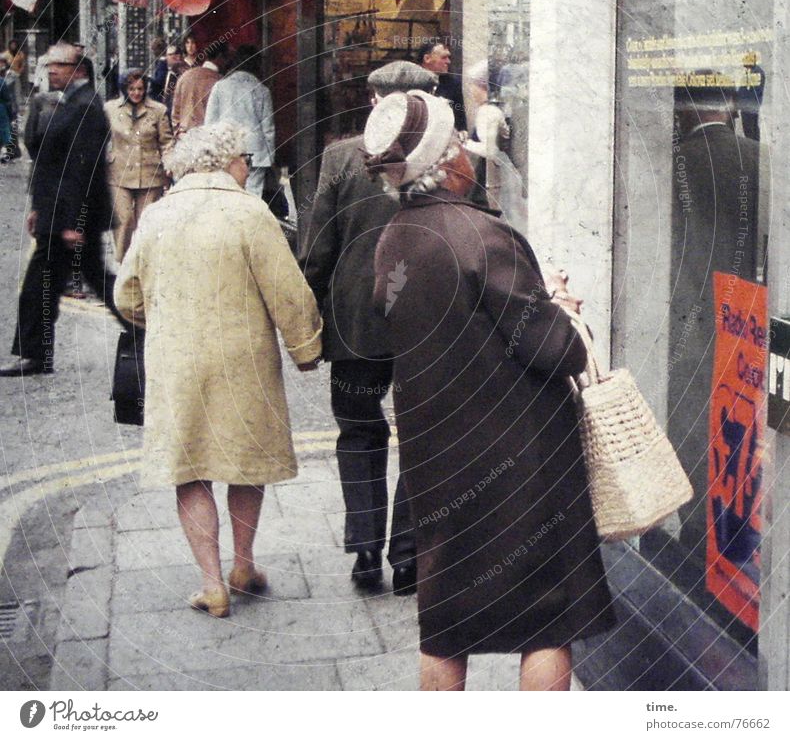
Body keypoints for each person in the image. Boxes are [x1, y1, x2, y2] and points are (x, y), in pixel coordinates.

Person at [367, 90, 616, 690]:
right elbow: (558, 350)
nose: (469, 152)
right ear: (444, 162)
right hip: (522, 467)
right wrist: (554, 301)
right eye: (459, 142)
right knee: (547, 622)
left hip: (439, 462)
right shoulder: (482, 236)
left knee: (446, 623)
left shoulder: (393, 240)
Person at [114, 120, 322, 618]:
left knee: (192, 472)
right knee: (244, 464)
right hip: (242, 360)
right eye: (244, 157)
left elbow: (127, 294)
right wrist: (306, 349)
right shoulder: (250, 213)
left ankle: (212, 586)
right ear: (225, 161)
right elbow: (288, 293)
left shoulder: (158, 215)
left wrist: (161, 315)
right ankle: (244, 564)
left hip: (177, 361)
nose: (247, 165)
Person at [299, 61, 437, 594]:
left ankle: (364, 550)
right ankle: (408, 556)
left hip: (356, 324)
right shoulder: (446, 159)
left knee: (358, 430)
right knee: (422, 436)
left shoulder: (340, 157)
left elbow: (316, 250)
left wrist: (309, 319)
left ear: (374, 98)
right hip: (424, 325)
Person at [668, 72, 760, 549]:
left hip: (688, 316)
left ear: (682, 108)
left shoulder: (675, 163)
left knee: (689, 418)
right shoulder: (760, 158)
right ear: (728, 103)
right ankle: (734, 529)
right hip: (744, 314)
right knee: (737, 419)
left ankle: (692, 529)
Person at [0, 44, 125, 377]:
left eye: (58, 64)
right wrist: (39, 208)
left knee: (70, 282)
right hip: (57, 216)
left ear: (79, 70)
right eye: (48, 64)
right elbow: (52, 164)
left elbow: (83, 172)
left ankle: (143, 329)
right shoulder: (71, 103)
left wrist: (76, 223)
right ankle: (35, 354)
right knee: (61, 283)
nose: (50, 70)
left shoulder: (86, 107)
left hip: (69, 219)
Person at [204, 45, 282, 215]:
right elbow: (268, 127)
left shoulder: (220, 86)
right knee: (253, 194)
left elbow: (210, 122)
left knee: (227, 192)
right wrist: (270, 157)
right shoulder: (262, 90)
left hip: (227, 149)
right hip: (256, 150)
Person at [105, 69, 173, 260]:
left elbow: (166, 142)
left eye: (140, 89)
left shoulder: (158, 111)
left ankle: (144, 262)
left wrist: (169, 164)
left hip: (150, 174)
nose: (136, 93)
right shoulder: (110, 109)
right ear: (124, 89)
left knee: (146, 221)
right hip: (119, 173)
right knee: (124, 220)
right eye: (132, 89)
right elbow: (99, 138)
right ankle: (122, 261)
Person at [463, 60, 528, 235]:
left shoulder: (488, 112)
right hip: (498, 176)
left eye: (473, 86)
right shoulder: (493, 109)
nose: (470, 91)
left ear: (482, 85)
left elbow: (489, 151)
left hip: (493, 180)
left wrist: (462, 142)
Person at [171, 42, 228, 135]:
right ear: (221, 57)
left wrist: (178, 133)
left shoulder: (185, 76)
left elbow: (175, 113)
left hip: (185, 137)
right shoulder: (219, 81)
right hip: (208, 138)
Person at [416, 40, 467, 132]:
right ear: (427, 58)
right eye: (444, 57)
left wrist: (462, 132)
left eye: (449, 57)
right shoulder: (410, 81)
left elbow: (460, 121)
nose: (448, 61)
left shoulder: (453, 84)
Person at [161, 44, 186, 118]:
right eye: (169, 55)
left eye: (175, 54)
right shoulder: (165, 73)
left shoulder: (185, 74)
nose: (169, 57)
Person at [0, 58, 14, 162]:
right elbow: (7, 99)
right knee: (4, 131)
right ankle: (3, 152)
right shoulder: (1, 82)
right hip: (1, 109)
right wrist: (11, 115)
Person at [147, 36, 168, 102]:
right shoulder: (161, 62)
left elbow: (159, 81)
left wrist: (148, 78)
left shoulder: (162, 63)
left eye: (153, 50)